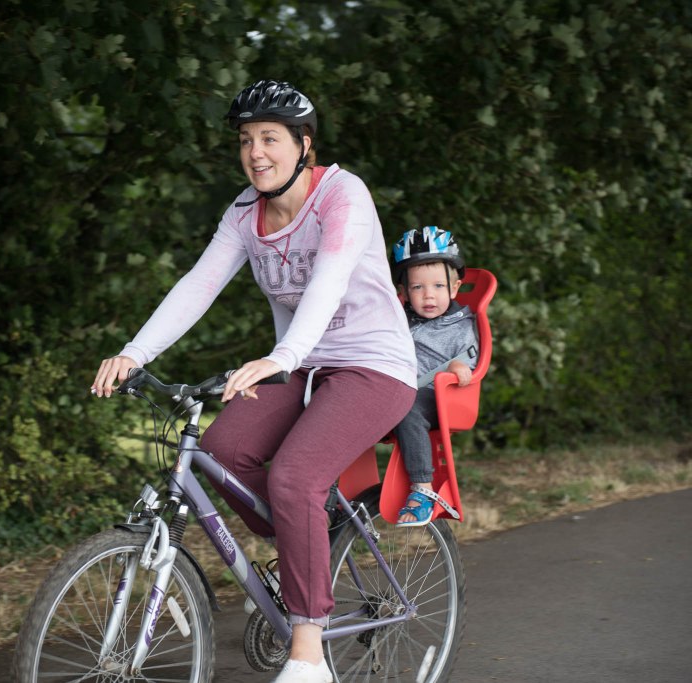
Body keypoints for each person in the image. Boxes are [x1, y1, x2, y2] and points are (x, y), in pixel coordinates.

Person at [91, 80, 417, 683]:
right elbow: (198, 283)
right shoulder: (244, 211)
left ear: (304, 146)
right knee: (221, 452)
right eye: (246, 140)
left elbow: (330, 277)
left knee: (294, 476)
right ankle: (305, 543)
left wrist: (283, 354)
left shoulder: (343, 194)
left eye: (270, 138)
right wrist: (134, 353)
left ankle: (308, 654)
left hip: (373, 364)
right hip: (301, 363)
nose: (256, 153)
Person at [390, 226, 478, 526]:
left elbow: (471, 358)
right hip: (399, 390)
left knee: (406, 405)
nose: (429, 295)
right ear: (403, 293)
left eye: (439, 286)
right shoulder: (399, 321)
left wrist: (457, 368)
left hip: (443, 396)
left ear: (454, 289)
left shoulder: (461, 324)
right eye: (418, 288)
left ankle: (423, 490)